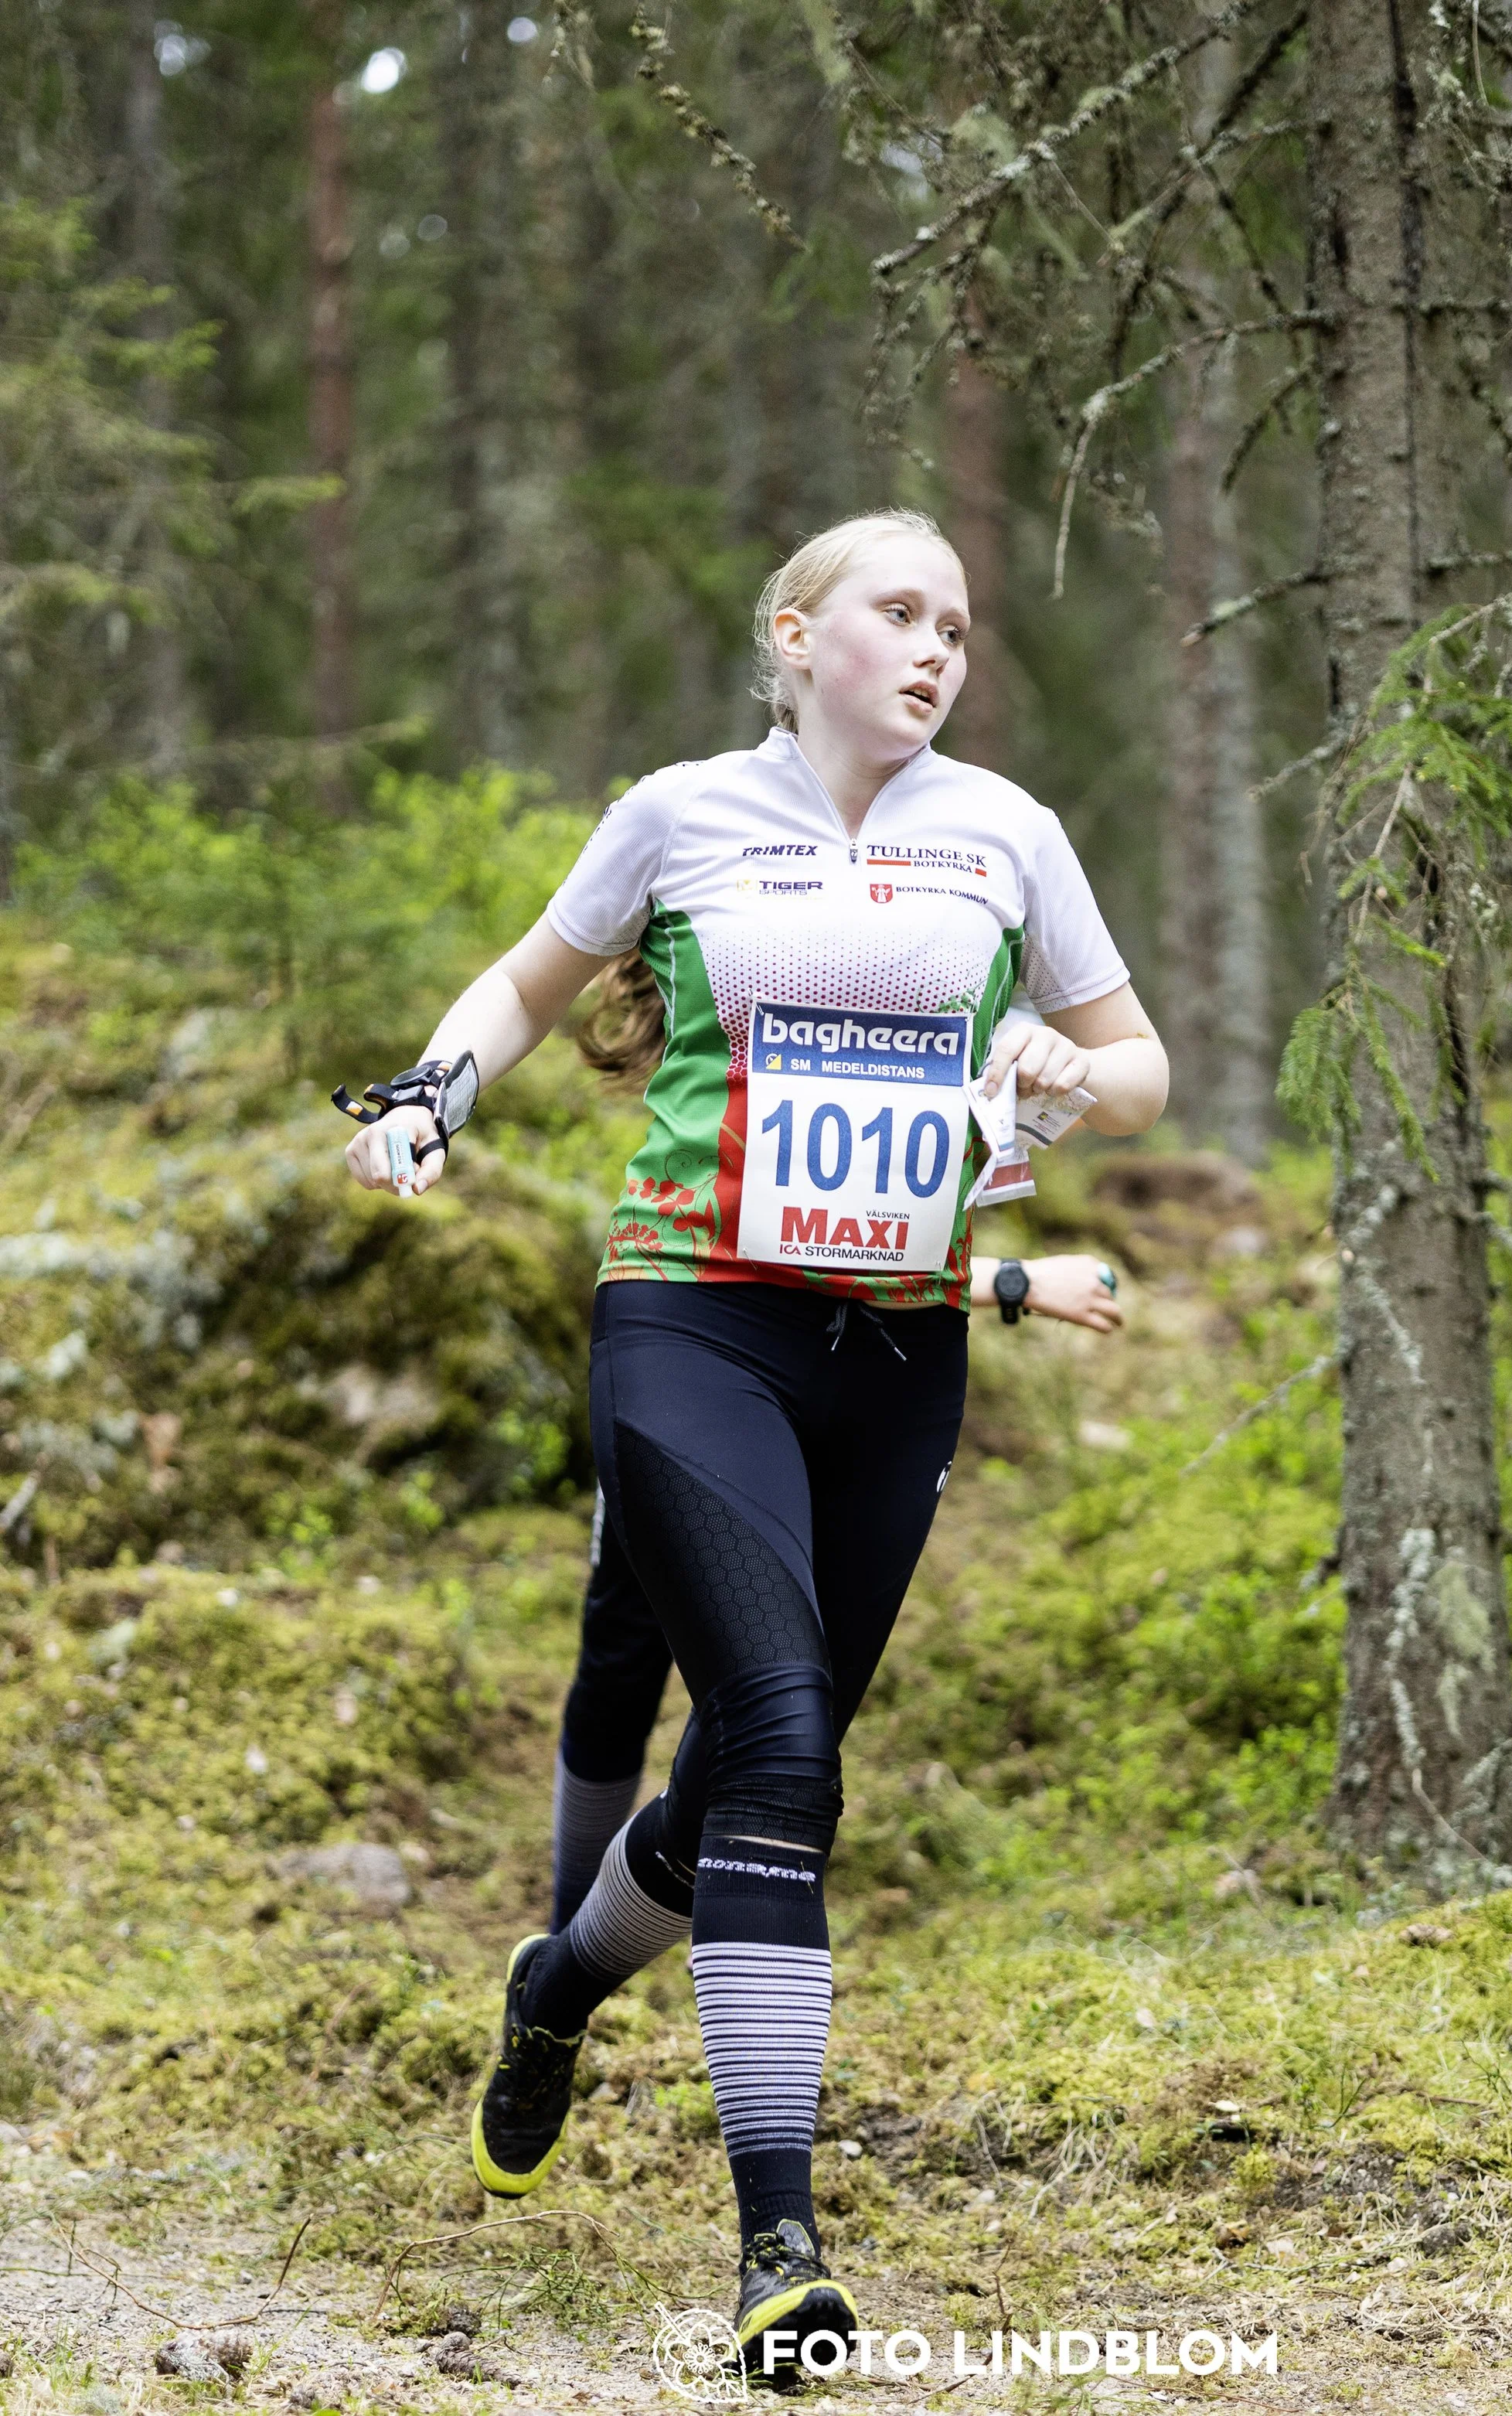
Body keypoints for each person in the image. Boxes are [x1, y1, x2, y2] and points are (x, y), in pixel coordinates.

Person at [341, 507, 1167, 2371]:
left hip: (893, 1353)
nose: (936, 645)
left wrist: (1065, 1073)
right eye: (897, 610)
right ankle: (776, 2250)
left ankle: (554, 1985)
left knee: (737, 1783)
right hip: (688, 1313)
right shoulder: (680, 810)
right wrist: (427, 1093)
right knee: (787, 1741)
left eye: (956, 621)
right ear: (797, 636)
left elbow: (1139, 1066)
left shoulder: (1006, 835)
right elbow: (530, 982)